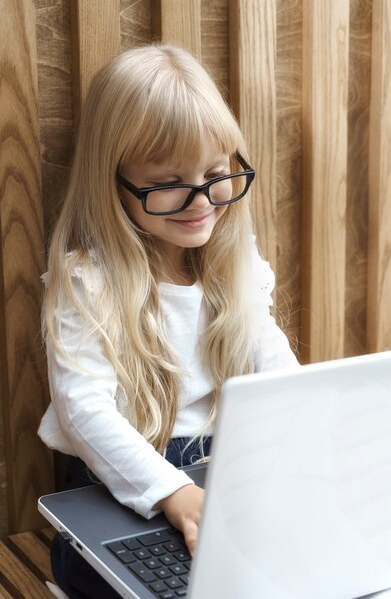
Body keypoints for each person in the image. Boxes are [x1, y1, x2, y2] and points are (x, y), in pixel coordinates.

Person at [38, 43, 299, 599]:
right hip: (123, 487)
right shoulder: (91, 283)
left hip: (224, 471)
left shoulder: (231, 261)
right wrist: (171, 491)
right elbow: (83, 410)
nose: (200, 200)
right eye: (168, 183)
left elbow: (267, 351)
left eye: (216, 172)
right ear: (116, 186)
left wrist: (299, 414)